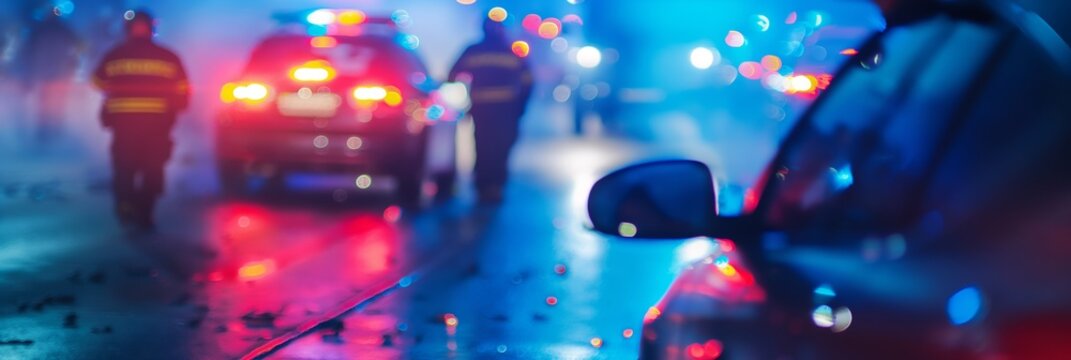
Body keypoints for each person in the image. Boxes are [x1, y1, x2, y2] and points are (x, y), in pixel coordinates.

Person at [92, 10, 190, 230]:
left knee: (127, 167)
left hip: (126, 123)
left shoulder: (115, 54)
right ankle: (142, 213)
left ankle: (129, 207)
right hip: (157, 124)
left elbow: (97, 82)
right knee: (150, 168)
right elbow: (183, 90)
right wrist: (176, 108)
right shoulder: (168, 56)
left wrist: (118, 90)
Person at [449, 18, 534, 204]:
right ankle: (495, 186)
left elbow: (452, 75)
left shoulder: (473, 51)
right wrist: (521, 107)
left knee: (483, 146)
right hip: (506, 110)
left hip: (482, 110)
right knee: (501, 147)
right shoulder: (512, 51)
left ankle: (484, 186)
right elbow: (528, 82)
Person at [21, 8, 81, 141]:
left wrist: (28, 76)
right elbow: (77, 46)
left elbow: (29, 51)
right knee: (58, 102)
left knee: (44, 102)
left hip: (45, 72)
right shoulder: (64, 29)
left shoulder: (40, 29)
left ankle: (44, 131)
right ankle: (55, 129)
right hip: (60, 72)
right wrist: (73, 63)